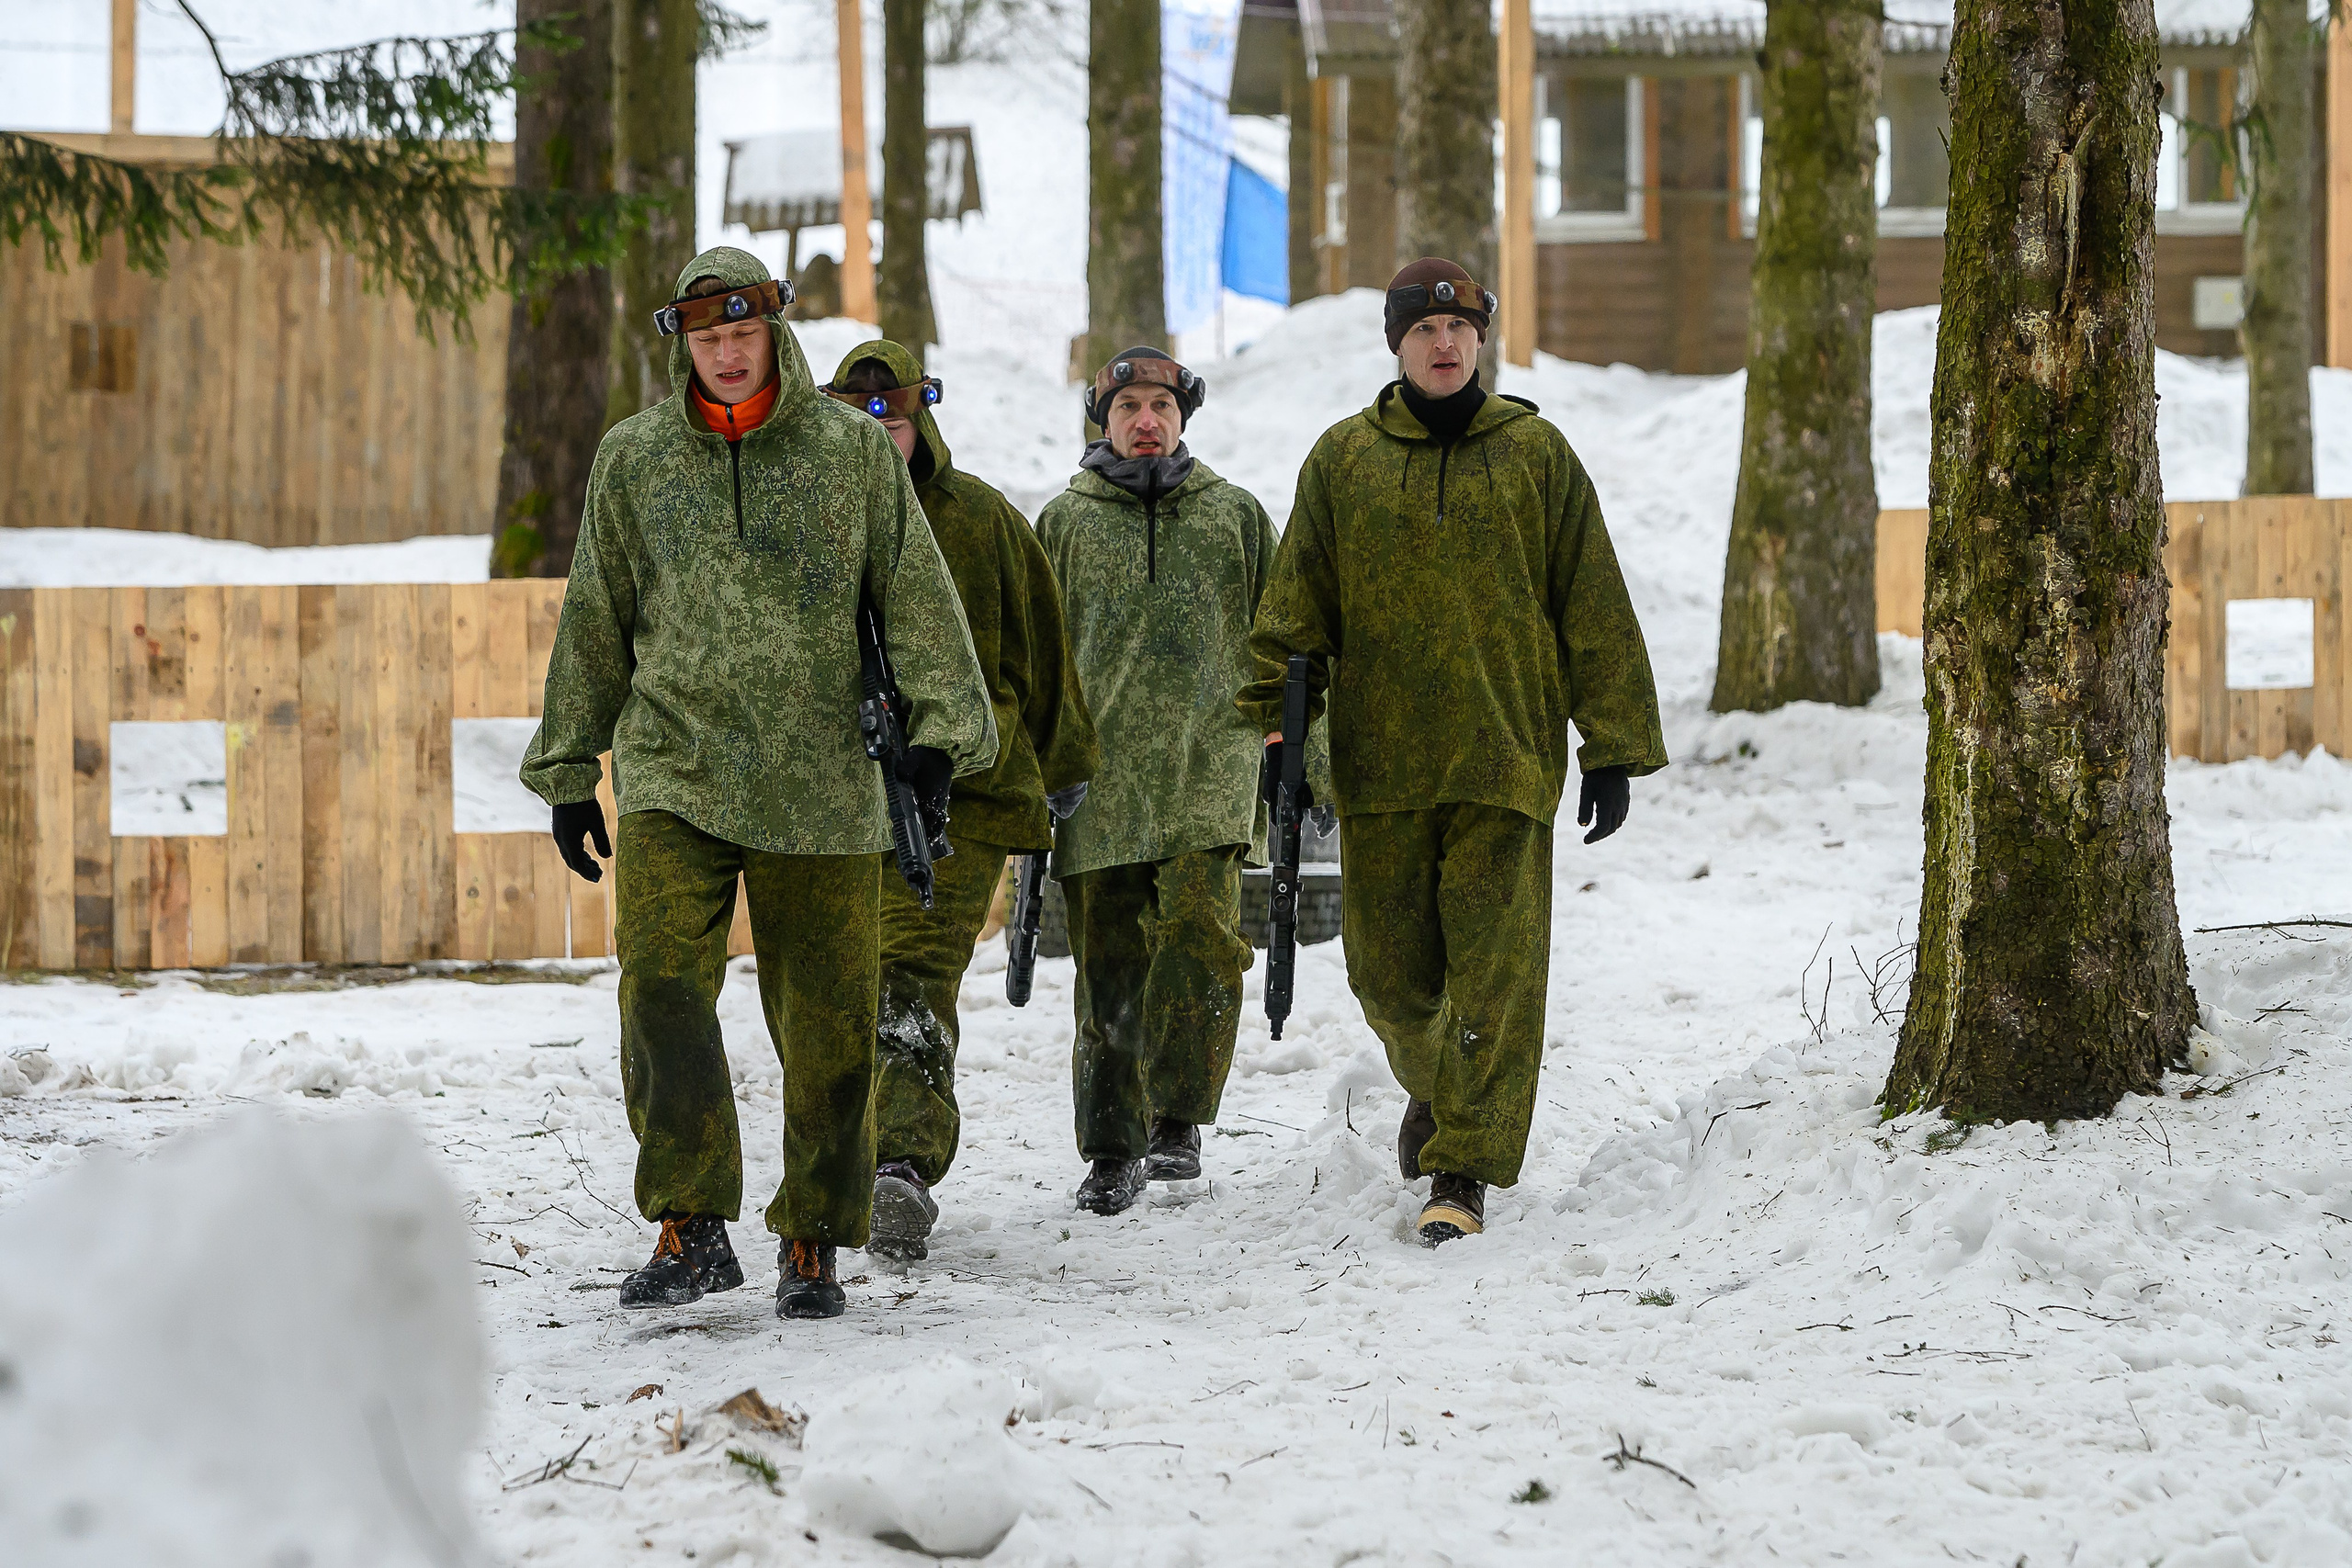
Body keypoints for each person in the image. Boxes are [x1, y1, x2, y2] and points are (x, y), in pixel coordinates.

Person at [521, 248, 996, 1319]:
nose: (727, 355)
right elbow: (595, 616)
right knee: (659, 986)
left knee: (827, 1019)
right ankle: (690, 1222)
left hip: (820, 779)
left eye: (742, 335)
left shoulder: (848, 452)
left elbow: (915, 595)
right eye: (708, 338)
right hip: (674, 769)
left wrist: (937, 742)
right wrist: (567, 768)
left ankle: (815, 1235)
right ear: (681, 345)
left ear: (774, 334)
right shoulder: (634, 460)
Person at [1237, 258, 1667, 1247]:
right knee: (1388, 980)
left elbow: (1592, 601)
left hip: (1503, 758)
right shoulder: (1343, 460)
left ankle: (1460, 1168)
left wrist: (1611, 745)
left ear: (1481, 340)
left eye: (1461, 329)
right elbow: (1294, 614)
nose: (1444, 344)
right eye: (1425, 330)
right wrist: (1280, 732)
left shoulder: (1535, 455)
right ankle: (1442, 1084)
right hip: (1381, 766)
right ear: (1397, 343)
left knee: (1495, 980)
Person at [820, 339, 1100, 1262]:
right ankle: (846, 1157)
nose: (878, 435)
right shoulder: (811, 522)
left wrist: (1062, 766)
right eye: (858, 418)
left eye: (892, 418)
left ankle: (901, 1163)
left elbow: (1042, 650)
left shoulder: (980, 521)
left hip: (966, 792)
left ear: (921, 421)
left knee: (910, 968)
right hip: (834, 794)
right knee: (841, 979)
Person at [1036, 349, 1277, 1216]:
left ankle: (1176, 1116)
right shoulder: (1063, 524)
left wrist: (1306, 759)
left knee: (1204, 939)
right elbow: (1035, 659)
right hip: (1098, 788)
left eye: (1162, 407)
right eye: (1129, 406)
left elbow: (1288, 644)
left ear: (1183, 418)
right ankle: (1111, 1147)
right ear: (1103, 419)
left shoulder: (1235, 518)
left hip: (1208, 773)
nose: (1146, 421)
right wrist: (1037, 765)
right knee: (1108, 970)